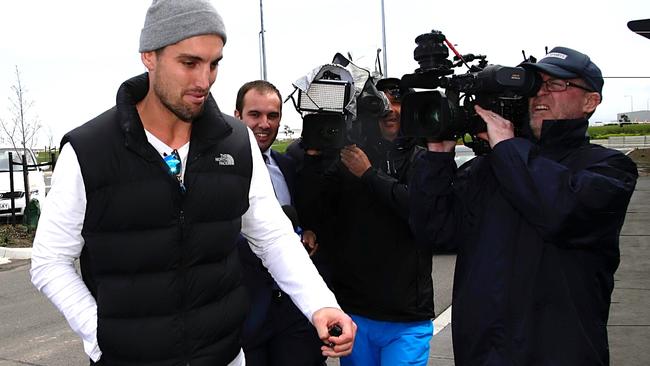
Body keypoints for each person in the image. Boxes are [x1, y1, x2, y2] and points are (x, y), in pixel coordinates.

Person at [29, 1, 356, 365]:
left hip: (225, 356)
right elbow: (50, 260)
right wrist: (98, 334)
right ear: (149, 56)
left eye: (214, 63)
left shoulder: (237, 142)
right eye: (189, 63)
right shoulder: (89, 150)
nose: (204, 81)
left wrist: (320, 304)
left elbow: (272, 236)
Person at [409, 46, 638, 365]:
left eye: (557, 84)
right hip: (481, 354)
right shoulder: (488, 167)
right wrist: (437, 155)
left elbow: (561, 211)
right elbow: (436, 233)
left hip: (557, 354)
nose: (541, 92)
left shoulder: (608, 168)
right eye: (535, 84)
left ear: (590, 101)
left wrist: (506, 145)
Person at [296, 78, 434, 366]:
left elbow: (419, 208)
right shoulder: (349, 156)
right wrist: (314, 156)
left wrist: (369, 174)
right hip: (356, 312)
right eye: (382, 104)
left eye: (396, 102)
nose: (390, 110)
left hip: (406, 317)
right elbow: (315, 209)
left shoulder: (424, 158)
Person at [233, 80, 325, 366]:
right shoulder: (217, 170)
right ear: (237, 116)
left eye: (272, 116)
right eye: (255, 115)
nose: (264, 124)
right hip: (244, 314)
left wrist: (306, 233)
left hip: (293, 313)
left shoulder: (288, 166)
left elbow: (294, 220)